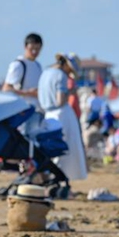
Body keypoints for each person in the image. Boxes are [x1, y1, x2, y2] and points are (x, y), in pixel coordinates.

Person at [38, 53, 88, 183]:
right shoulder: (60, 75)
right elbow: (60, 100)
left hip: (48, 115)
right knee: (66, 147)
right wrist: (71, 92)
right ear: (66, 65)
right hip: (62, 113)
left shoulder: (45, 73)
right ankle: (62, 178)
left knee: (54, 146)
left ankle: (52, 177)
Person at [2, 33, 43, 110]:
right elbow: (6, 89)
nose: (34, 52)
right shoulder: (18, 64)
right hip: (23, 110)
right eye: (31, 49)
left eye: (37, 49)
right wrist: (29, 93)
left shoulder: (38, 65)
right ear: (25, 47)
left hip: (37, 109)